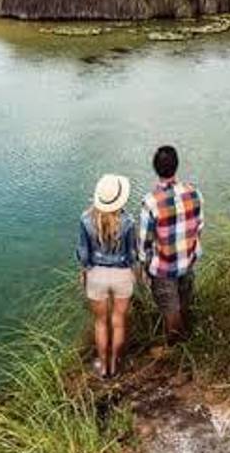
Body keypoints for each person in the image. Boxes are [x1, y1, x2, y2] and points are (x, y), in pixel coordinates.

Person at [76, 173, 138, 378]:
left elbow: (83, 254)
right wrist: (133, 272)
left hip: (96, 275)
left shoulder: (85, 219)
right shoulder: (128, 221)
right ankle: (114, 366)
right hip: (122, 274)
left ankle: (103, 369)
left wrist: (84, 271)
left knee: (101, 322)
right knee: (118, 321)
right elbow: (132, 254)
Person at [139, 145, 203, 342]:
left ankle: (176, 350)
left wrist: (144, 267)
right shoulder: (194, 193)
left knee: (170, 312)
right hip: (188, 261)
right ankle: (187, 339)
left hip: (164, 268)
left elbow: (144, 243)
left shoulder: (151, 202)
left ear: (156, 169)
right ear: (176, 166)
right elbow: (199, 226)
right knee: (183, 304)